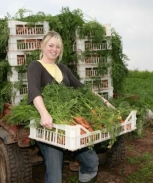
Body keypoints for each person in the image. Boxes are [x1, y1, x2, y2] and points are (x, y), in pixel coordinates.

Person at [27, 31, 99, 183]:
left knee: (92, 162)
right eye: (51, 45)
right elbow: (34, 91)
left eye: (58, 47)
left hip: (68, 123)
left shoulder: (63, 68)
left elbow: (81, 87)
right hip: (49, 127)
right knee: (55, 178)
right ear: (42, 46)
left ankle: (85, 178)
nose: (54, 49)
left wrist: (103, 101)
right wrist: (44, 114)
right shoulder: (36, 66)